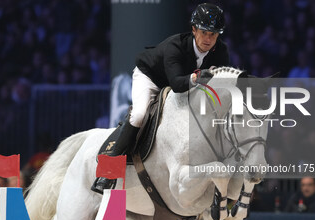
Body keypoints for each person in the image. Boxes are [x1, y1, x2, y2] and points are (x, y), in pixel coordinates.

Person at [92, 3, 230, 194]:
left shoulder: (221, 52)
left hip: (186, 85)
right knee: (139, 115)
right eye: (204, 32)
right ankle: (107, 172)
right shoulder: (176, 46)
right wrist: (199, 77)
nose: (208, 39)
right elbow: (177, 84)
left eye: (213, 34)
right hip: (151, 78)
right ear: (193, 29)